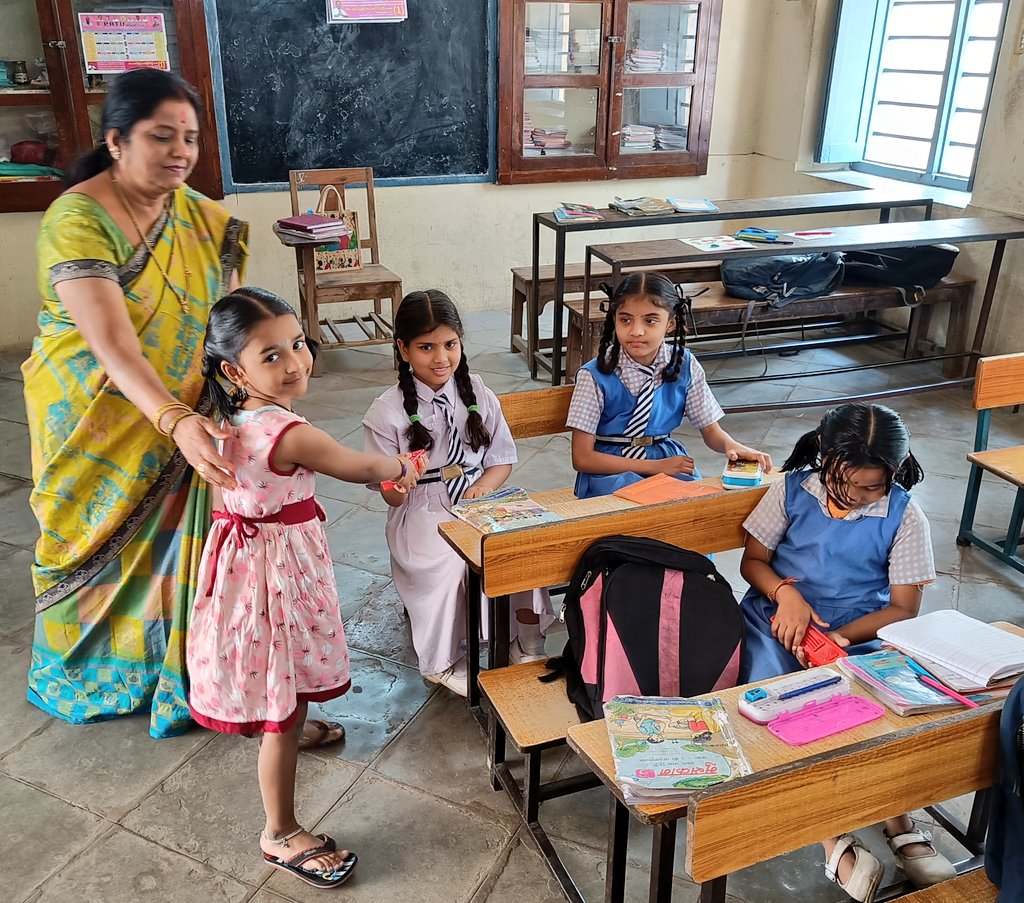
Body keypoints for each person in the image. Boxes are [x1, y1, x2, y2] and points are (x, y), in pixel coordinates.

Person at [22, 69, 249, 738]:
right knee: (82, 539)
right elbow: (115, 348)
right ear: (117, 140)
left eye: (191, 138)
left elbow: (224, 322)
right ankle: (87, 671)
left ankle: (180, 670)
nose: (181, 151)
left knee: (192, 547)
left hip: (184, 409)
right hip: (93, 416)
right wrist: (177, 419)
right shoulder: (78, 218)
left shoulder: (207, 221)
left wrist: (245, 385)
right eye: (162, 136)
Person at [188, 287, 424, 889]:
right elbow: (359, 466)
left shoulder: (227, 417)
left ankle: (291, 726)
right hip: (274, 577)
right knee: (281, 702)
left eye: (297, 344)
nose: (295, 363)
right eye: (272, 355)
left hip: (247, 566)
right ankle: (281, 831)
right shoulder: (285, 430)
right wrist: (406, 465)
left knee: (277, 667)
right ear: (234, 369)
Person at [738, 403, 955, 901]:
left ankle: (898, 822)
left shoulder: (905, 514)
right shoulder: (791, 490)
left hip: (860, 630)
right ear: (825, 458)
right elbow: (754, 561)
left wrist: (842, 638)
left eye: (871, 488)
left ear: (893, 474)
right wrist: (785, 594)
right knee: (782, 707)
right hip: (774, 622)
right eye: (847, 484)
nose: (858, 497)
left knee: (878, 711)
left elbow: (902, 608)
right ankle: (832, 836)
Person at [363, 290, 552, 696]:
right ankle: (442, 661)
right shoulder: (387, 411)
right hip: (421, 508)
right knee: (450, 565)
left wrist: (480, 491)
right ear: (403, 349)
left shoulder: (477, 392)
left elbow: (500, 458)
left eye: (449, 344)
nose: (440, 358)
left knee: (521, 542)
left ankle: (527, 636)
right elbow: (390, 496)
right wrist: (397, 484)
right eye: (425, 347)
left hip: (477, 496)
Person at [566, 272, 771, 499]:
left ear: (670, 324)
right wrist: (655, 467)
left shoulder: (685, 365)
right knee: (642, 513)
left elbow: (711, 431)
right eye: (625, 319)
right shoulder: (594, 375)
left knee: (694, 510)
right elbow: (582, 458)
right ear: (614, 319)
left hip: (667, 459)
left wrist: (733, 446)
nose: (636, 331)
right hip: (609, 471)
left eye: (650, 320)